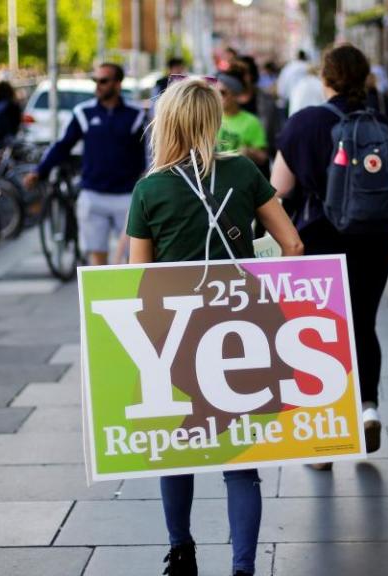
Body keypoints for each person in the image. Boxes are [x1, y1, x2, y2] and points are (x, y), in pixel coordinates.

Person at [127, 76, 302, 576]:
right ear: (214, 120)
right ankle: (243, 567)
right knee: (241, 458)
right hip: (240, 326)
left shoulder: (149, 188)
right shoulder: (244, 172)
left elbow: (138, 280)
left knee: (175, 448)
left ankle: (181, 552)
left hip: (177, 335)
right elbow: (292, 246)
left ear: (167, 122)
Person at [272, 44, 388, 463]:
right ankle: (368, 408)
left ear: (324, 78)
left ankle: (324, 442)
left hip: (320, 241)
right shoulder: (382, 123)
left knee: (318, 333)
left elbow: (279, 191)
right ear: (364, 78)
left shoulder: (303, 124)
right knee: (364, 322)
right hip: (376, 240)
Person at [23, 63, 147, 266]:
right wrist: (39, 171)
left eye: (104, 81)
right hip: (93, 194)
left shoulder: (135, 114)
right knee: (96, 257)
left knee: (133, 258)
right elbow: (62, 146)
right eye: (95, 80)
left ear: (117, 83)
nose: (98, 85)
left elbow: (148, 152)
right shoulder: (84, 112)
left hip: (128, 196)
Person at [216, 72, 268, 169]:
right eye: (215, 92)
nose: (218, 96)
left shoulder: (251, 121)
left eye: (222, 92)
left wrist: (249, 152)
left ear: (235, 95)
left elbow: (263, 157)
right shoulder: (211, 118)